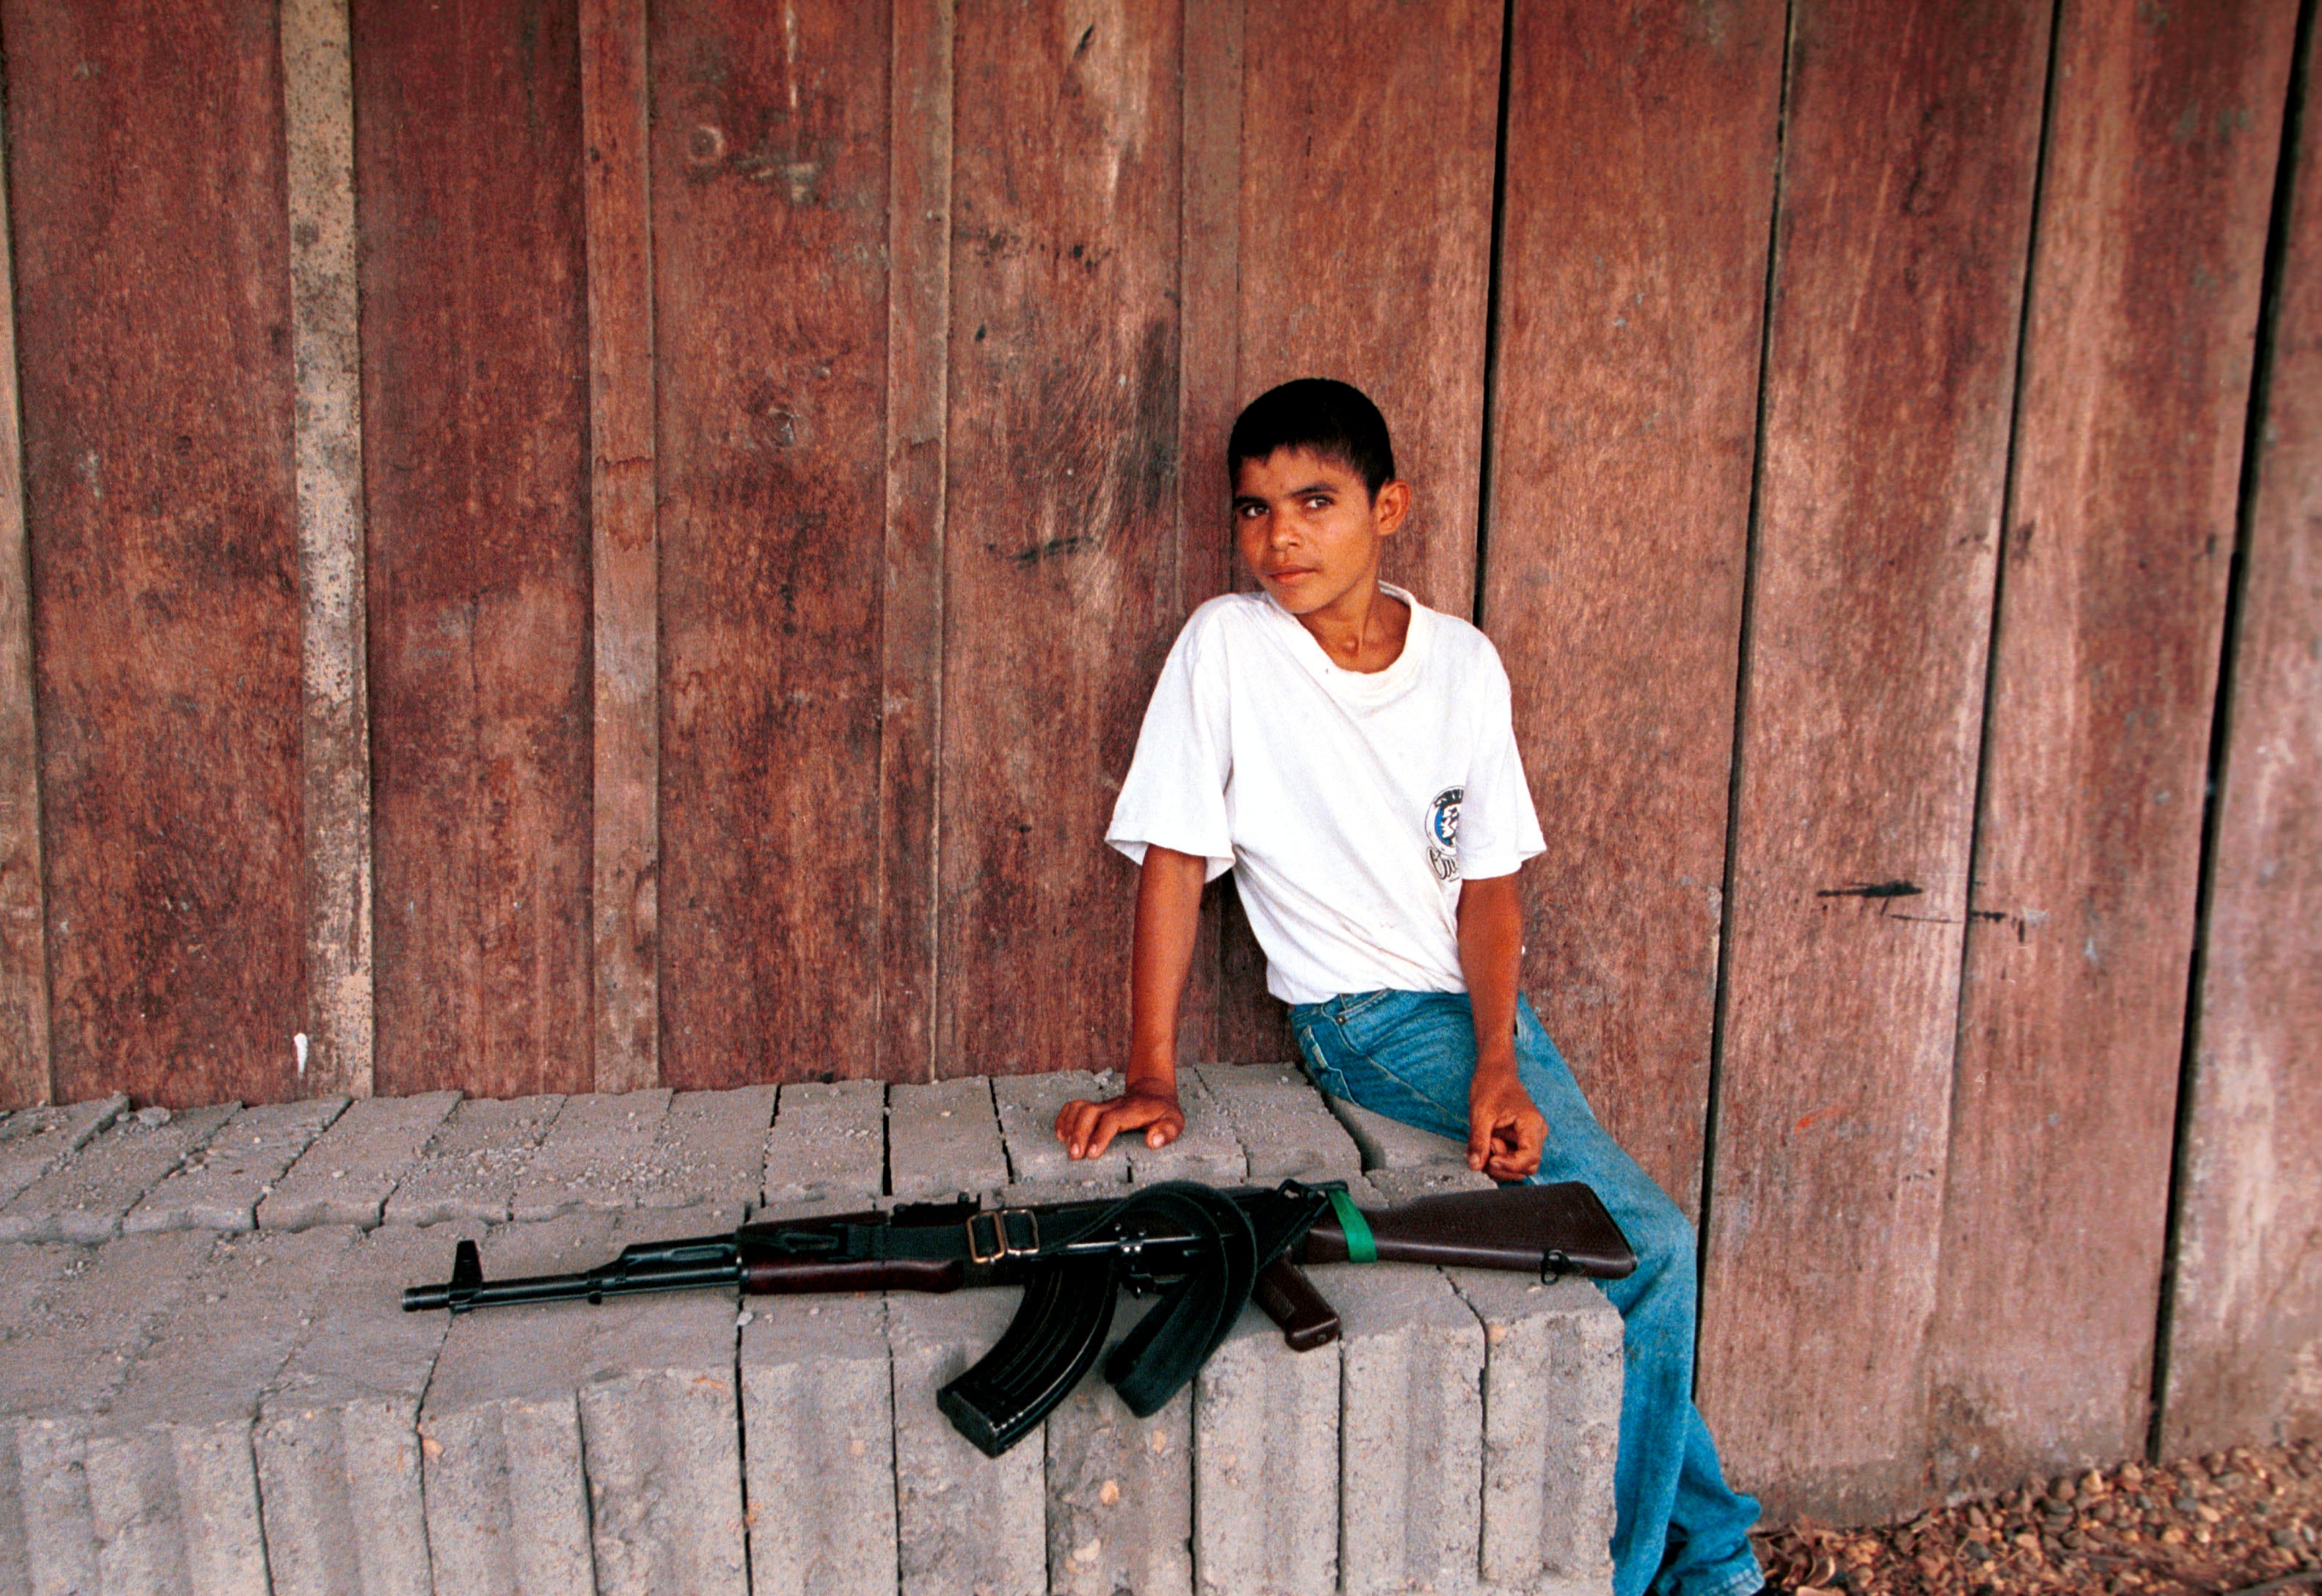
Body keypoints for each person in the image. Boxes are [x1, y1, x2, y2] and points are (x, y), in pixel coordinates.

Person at [1053, 377, 1765, 1596]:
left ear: (1388, 507)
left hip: (1475, 1018)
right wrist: (1152, 1072)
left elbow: (1488, 891)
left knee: (1628, 1257)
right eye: (1254, 509)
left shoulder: (1463, 666)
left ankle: (1709, 1557)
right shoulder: (1227, 648)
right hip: (1362, 1020)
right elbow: (1174, 864)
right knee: (1648, 1244)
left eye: (1315, 501)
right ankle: (1670, 1573)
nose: (1279, 537)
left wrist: (1498, 1052)